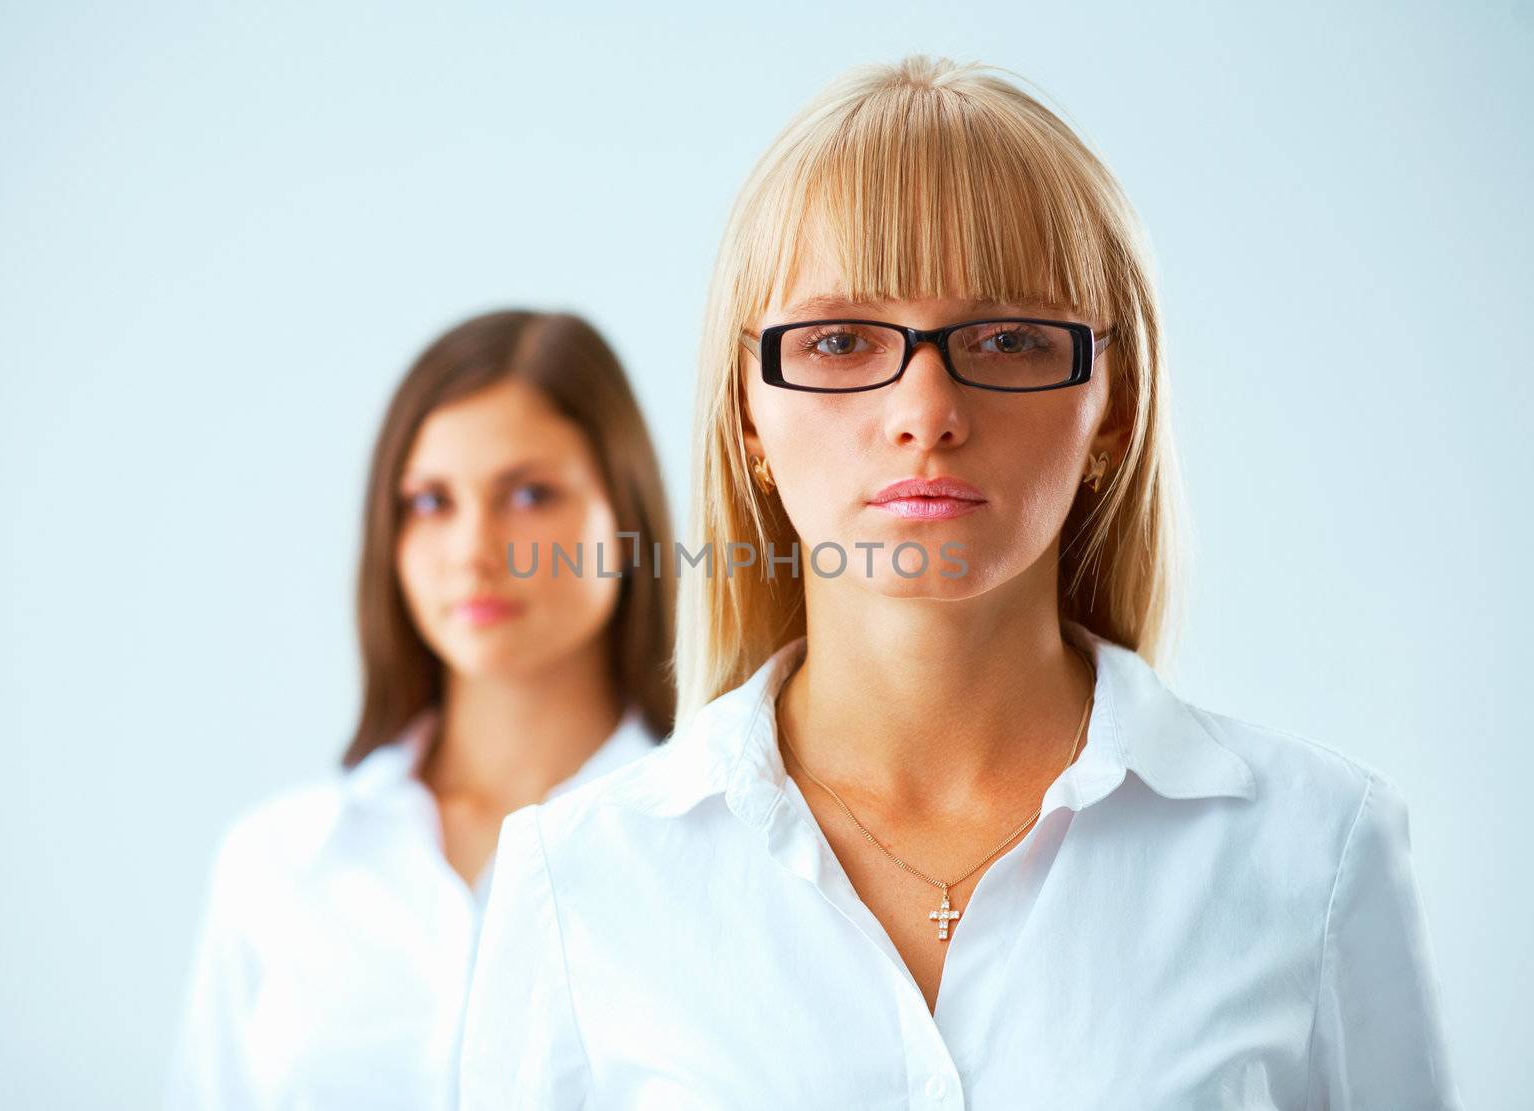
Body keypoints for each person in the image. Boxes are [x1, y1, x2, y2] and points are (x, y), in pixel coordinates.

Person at [455, 56, 1460, 1109]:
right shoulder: (579, 876)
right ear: (747, 412)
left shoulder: (1317, 847)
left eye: (1009, 338)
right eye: (841, 340)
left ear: (1112, 407)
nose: (924, 410)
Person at [166, 310, 675, 1110]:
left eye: (531, 494)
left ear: (627, 515)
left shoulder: (729, 853)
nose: (473, 549)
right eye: (431, 502)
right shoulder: (281, 863)